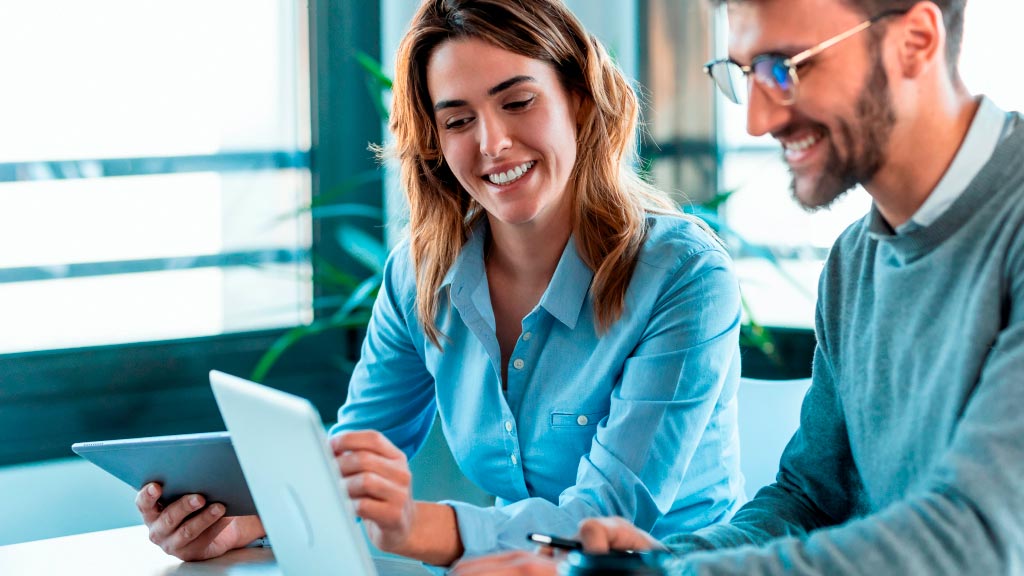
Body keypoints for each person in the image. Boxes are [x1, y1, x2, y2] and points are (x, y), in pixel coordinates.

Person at [135, 0, 746, 566]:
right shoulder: (421, 275)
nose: (492, 144)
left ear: (579, 101)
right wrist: (243, 520)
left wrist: (413, 527)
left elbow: (603, 521)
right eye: (458, 119)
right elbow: (358, 458)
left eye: (517, 101)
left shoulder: (684, 275)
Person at [453, 0, 1024, 574]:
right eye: (746, 75)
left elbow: (978, 536)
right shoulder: (857, 261)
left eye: (786, 67)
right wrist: (648, 562)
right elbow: (809, 500)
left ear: (916, 41)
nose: (758, 120)